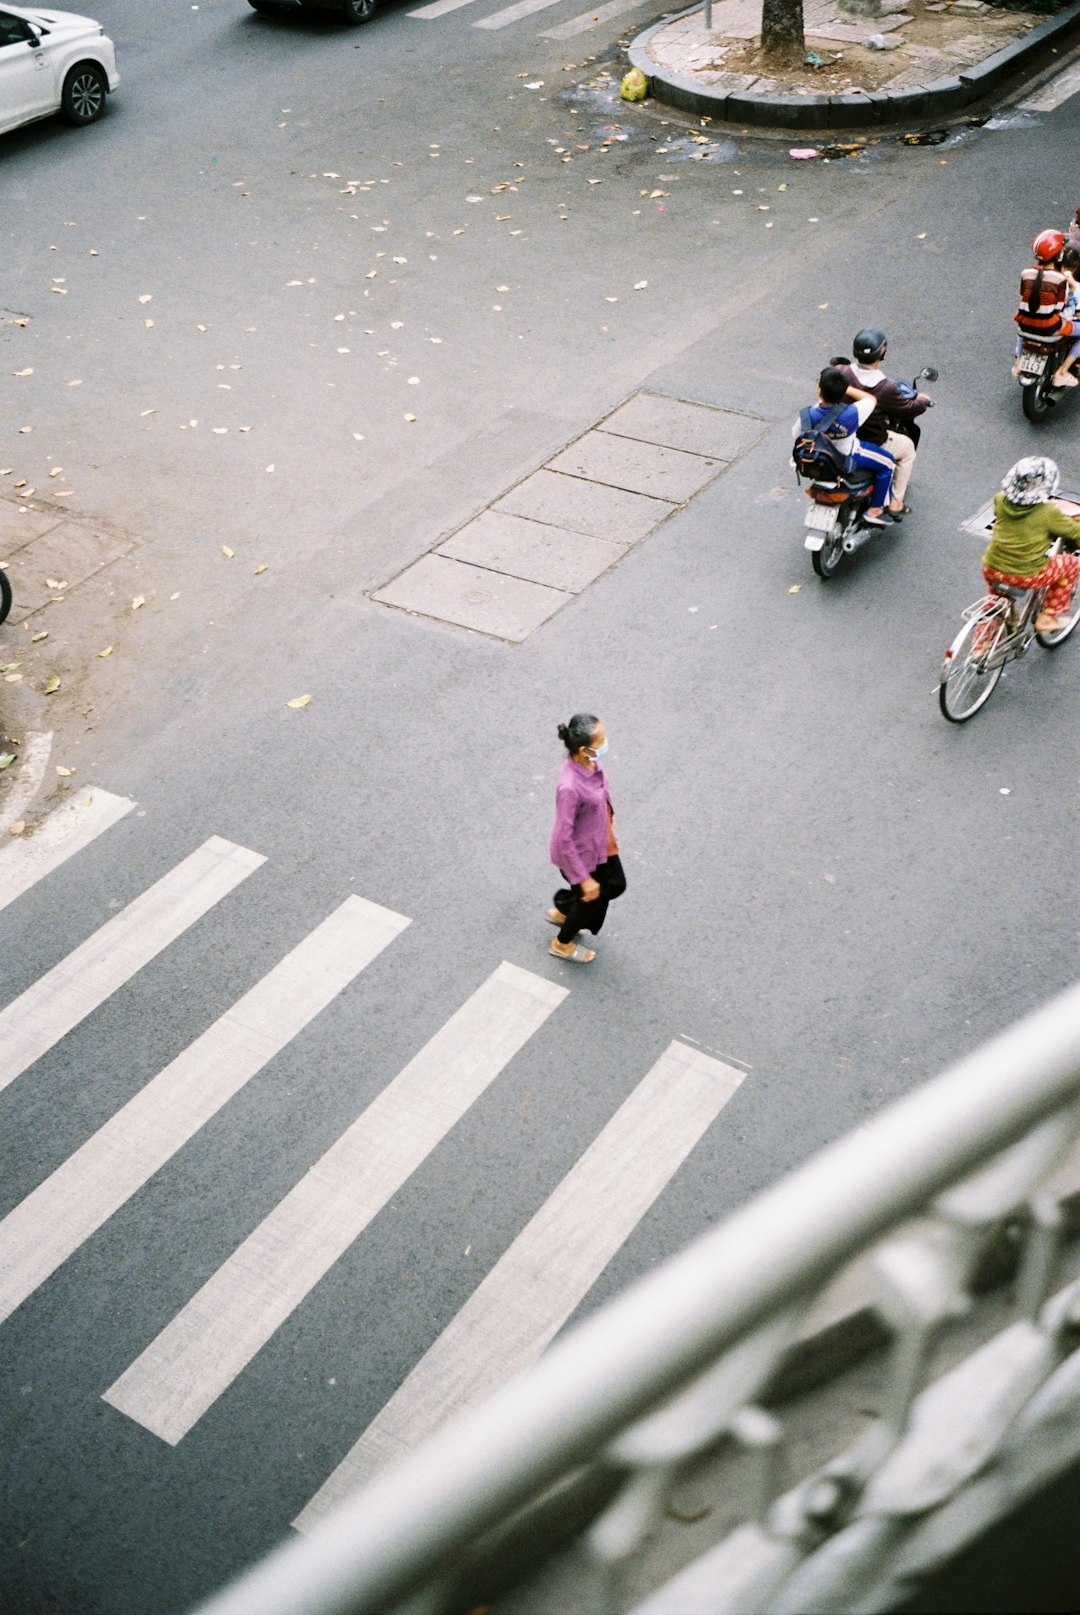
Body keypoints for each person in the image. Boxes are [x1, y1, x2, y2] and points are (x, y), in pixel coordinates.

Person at [830, 328, 931, 521]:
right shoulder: (884, 387)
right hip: (870, 440)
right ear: (882, 351)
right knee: (907, 449)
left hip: (838, 435)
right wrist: (923, 400)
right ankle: (896, 503)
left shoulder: (841, 372)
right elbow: (908, 409)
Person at [548, 713, 625, 964]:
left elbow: (601, 795)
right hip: (583, 856)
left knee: (616, 885)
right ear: (584, 749)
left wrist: (609, 825)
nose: (605, 743)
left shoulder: (591, 763)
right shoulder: (569, 786)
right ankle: (562, 943)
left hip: (601, 844)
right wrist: (583, 878)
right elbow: (562, 838)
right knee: (591, 899)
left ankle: (565, 909)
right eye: (601, 740)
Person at [982, 457, 1080, 635]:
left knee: (996, 600)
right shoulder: (1048, 513)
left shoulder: (1000, 499)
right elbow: (1075, 533)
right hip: (1026, 575)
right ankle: (1048, 617)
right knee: (1072, 565)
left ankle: (983, 641)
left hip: (992, 567)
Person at [796, 367, 895, 526]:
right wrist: (846, 388)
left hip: (815, 457)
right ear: (843, 393)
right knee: (888, 463)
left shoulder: (807, 416)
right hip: (848, 455)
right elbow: (871, 399)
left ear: (819, 390)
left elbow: (796, 435)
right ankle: (875, 510)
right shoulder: (853, 412)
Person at [1012, 229, 1071, 379]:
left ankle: (1018, 359)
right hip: (1048, 328)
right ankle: (1064, 370)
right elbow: (1059, 308)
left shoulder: (1025, 273)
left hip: (1025, 326)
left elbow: (1022, 297)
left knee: (1022, 326)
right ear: (1058, 255)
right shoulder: (1060, 279)